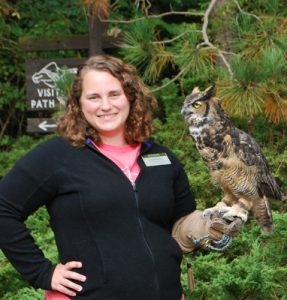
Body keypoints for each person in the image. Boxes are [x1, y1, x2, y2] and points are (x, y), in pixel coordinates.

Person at [0, 55, 243, 300]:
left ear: (130, 96)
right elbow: (3, 208)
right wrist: (42, 272)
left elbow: (179, 225)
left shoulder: (162, 157)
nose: (105, 105)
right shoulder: (57, 155)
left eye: (114, 94)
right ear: (78, 103)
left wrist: (208, 223)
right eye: (94, 97)